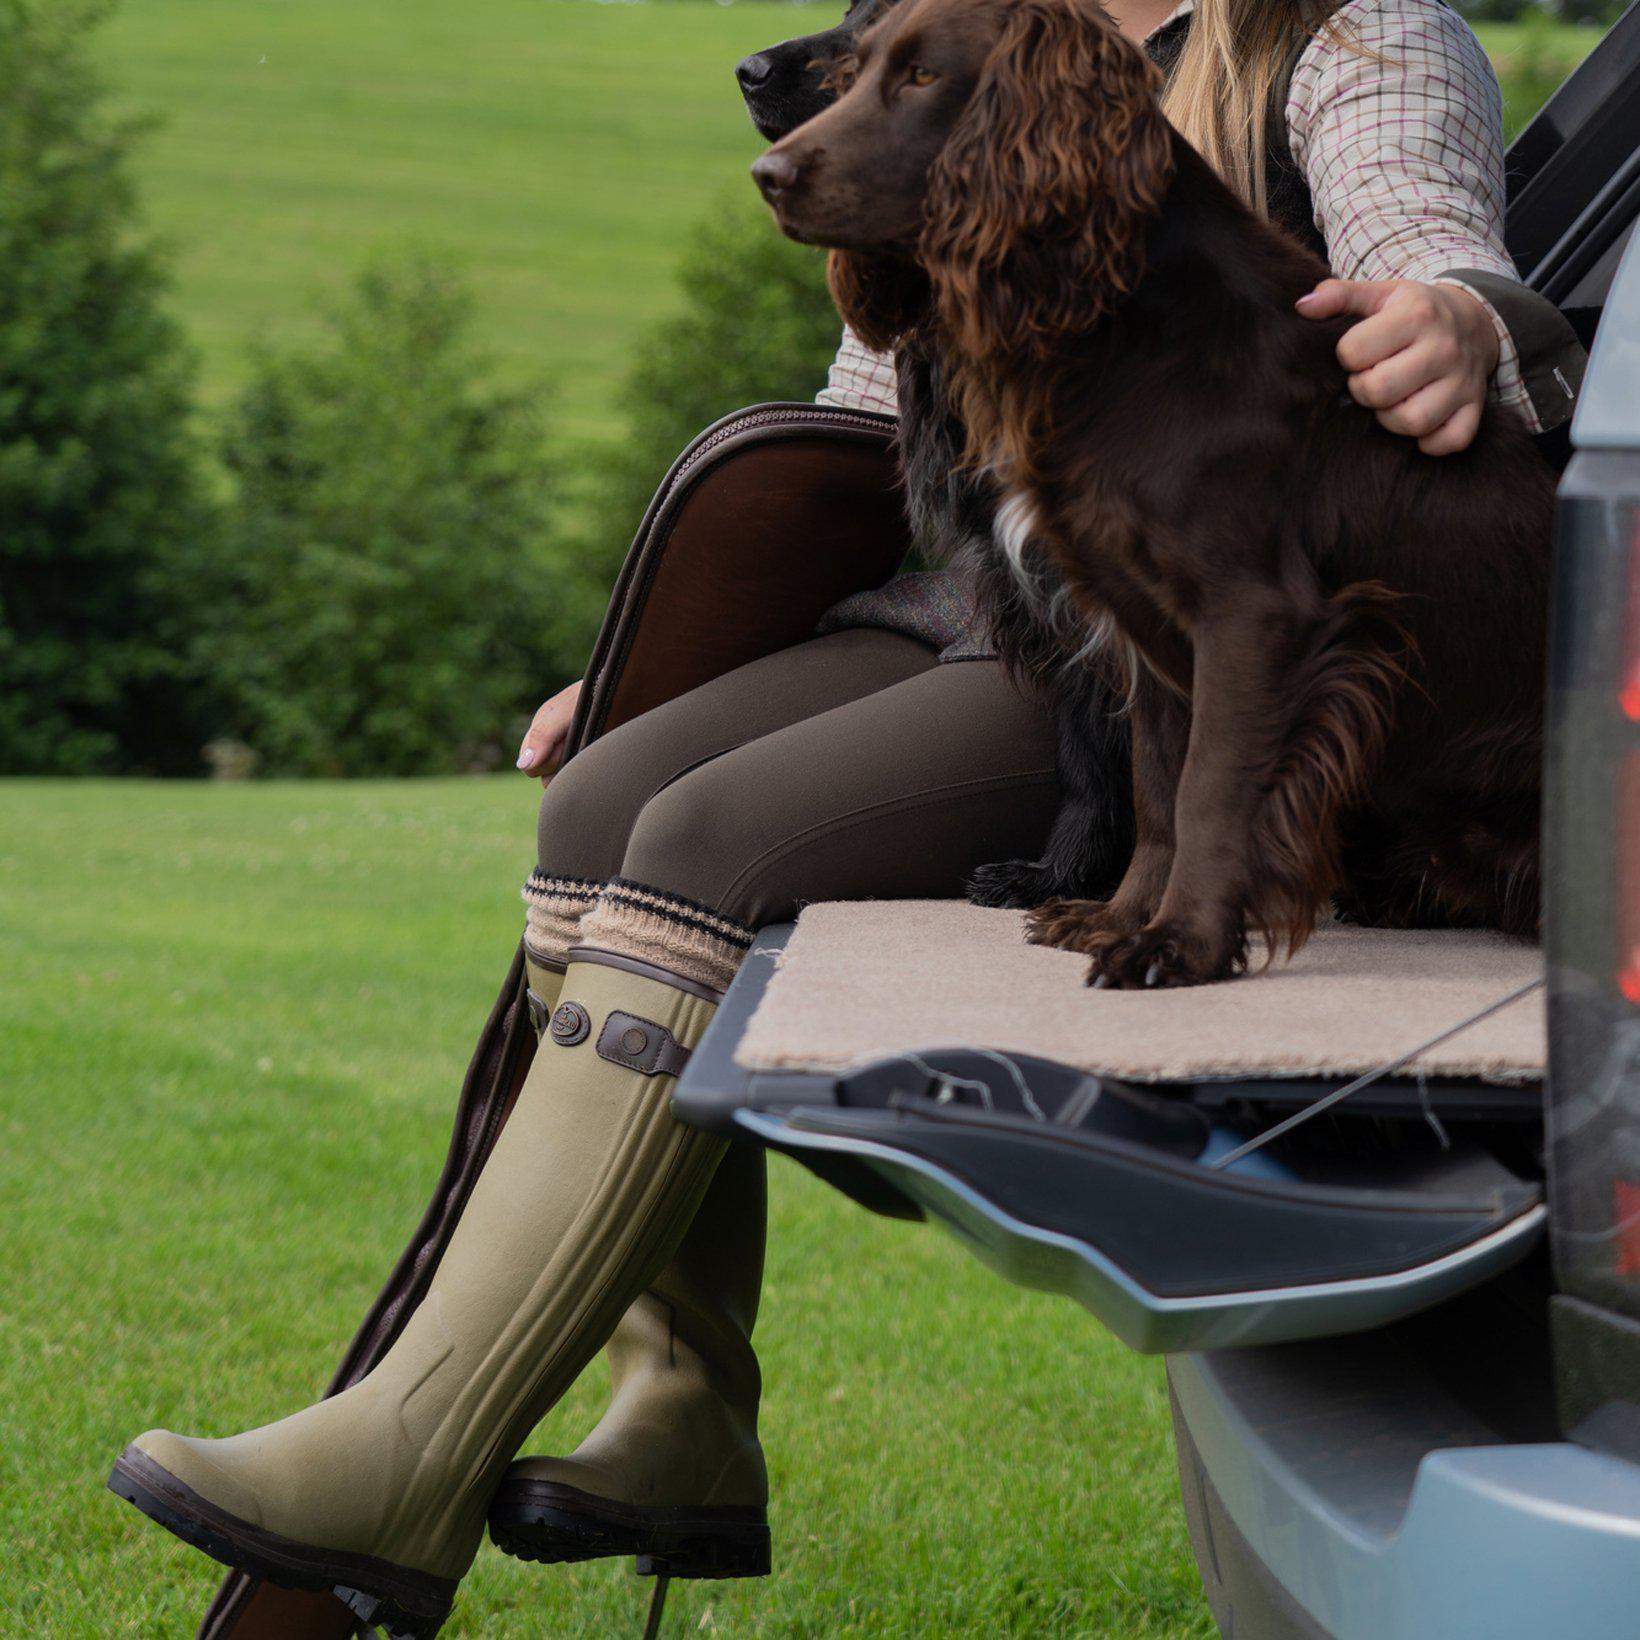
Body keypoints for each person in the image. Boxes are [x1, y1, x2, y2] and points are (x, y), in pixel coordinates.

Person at [111, 0, 1585, 1630]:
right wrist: (656, 662)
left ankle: (411, 1443)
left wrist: (1455, 315)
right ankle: (681, 1402)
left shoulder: (1347, 32)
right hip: (998, 608)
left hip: (1114, 680)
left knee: (695, 846)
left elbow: (1429, 244)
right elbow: (854, 425)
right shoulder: (950, 23)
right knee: (604, 792)